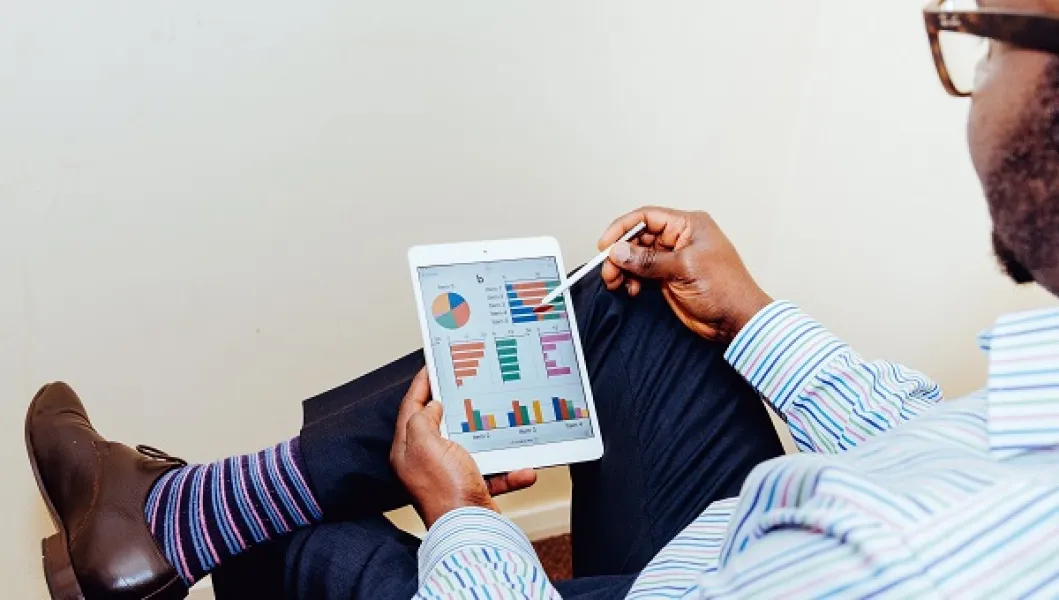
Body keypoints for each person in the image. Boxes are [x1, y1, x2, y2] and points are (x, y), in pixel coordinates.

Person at [24, 0, 1059, 597]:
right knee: (635, 299)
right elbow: (935, 444)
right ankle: (161, 515)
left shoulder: (911, 564)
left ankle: (180, 517)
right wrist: (753, 313)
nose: (977, 71)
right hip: (741, 557)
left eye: (993, 38)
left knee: (299, 549)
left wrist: (462, 514)